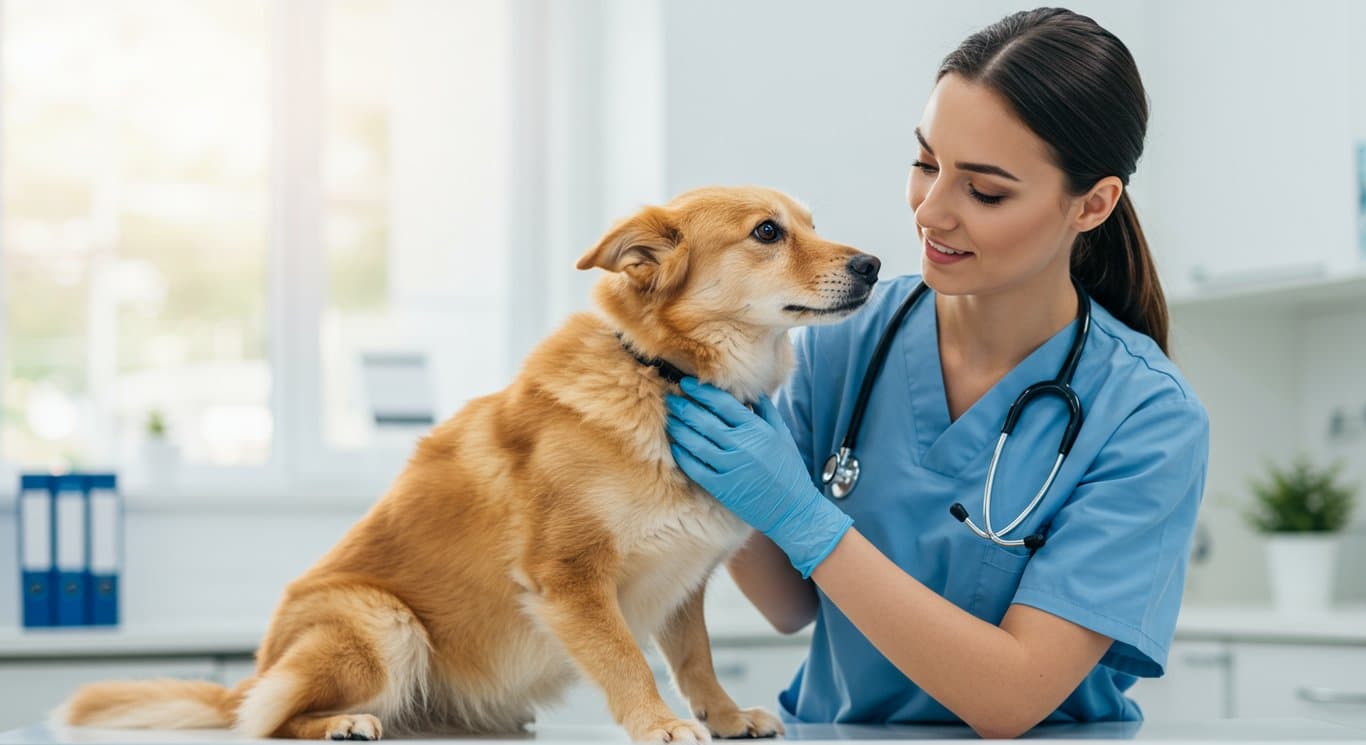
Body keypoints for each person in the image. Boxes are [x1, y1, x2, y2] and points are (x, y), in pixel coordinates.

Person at [663, 7, 1209, 739]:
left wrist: (803, 516)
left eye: (985, 191)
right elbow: (787, 604)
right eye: (926, 164)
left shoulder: (1146, 415)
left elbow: (1011, 697)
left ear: (1092, 203)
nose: (932, 211)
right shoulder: (843, 338)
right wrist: (704, 447)